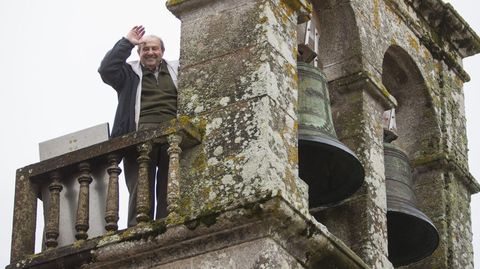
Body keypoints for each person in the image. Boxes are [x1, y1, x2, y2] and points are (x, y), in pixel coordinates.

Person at [98, 25, 178, 227]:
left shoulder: (177, 69)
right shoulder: (128, 73)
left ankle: (165, 226)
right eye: (145, 49)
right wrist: (127, 42)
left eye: (154, 48)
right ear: (139, 53)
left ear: (162, 51)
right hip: (139, 136)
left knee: (170, 187)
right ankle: (138, 228)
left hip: (172, 134)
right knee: (140, 187)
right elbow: (106, 69)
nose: (150, 52)